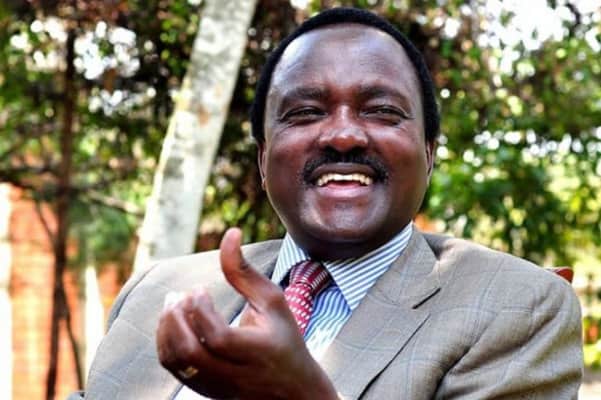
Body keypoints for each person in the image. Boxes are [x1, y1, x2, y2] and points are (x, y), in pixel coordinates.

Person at [70, 7, 583, 400]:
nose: (342, 135)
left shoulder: (520, 307)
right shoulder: (157, 292)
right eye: (305, 112)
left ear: (428, 154)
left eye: (381, 110)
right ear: (264, 158)